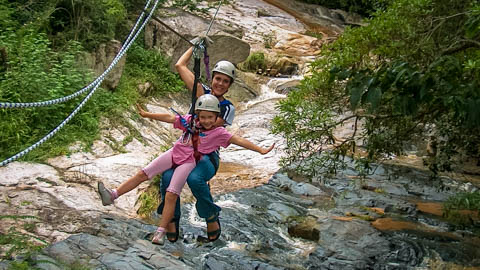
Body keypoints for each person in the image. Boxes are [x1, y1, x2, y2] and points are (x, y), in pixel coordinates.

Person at [98, 94, 274, 244]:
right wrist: (147, 114)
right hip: (174, 152)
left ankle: (161, 232)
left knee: (171, 193)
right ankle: (113, 195)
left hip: (189, 161)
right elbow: (170, 118)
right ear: (198, 115)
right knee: (143, 173)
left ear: (216, 117)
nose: (205, 121)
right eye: (202, 117)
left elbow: (238, 140)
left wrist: (260, 149)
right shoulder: (190, 121)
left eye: (210, 117)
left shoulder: (219, 133)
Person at [157, 43, 238, 243]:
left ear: (229, 85)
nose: (220, 83)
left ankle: (210, 215)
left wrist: (201, 97)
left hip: (206, 157)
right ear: (213, 77)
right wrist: (194, 47)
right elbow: (180, 65)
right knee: (167, 177)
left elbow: (207, 126)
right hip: (186, 150)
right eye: (218, 78)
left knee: (194, 179)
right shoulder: (201, 91)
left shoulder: (227, 108)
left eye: (225, 81)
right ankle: (172, 219)